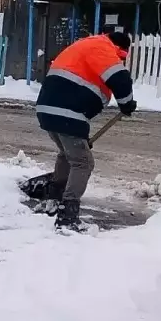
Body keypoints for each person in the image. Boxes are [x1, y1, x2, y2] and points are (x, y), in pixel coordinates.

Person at [34, 32, 137, 232]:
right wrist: (127, 104)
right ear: (120, 48)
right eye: (122, 56)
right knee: (83, 162)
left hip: (47, 110)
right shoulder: (103, 48)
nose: (120, 60)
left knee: (68, 154)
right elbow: (120, 78)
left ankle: (54, 197)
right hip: (67, 112)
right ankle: (67, 214)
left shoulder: (86, 45)